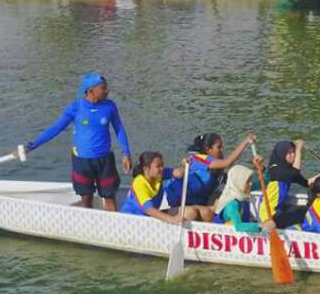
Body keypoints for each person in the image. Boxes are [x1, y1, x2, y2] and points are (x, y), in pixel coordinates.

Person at [21, 73, 132, 211]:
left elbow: (119, 129)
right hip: (82, 161)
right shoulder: (75, 107)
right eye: (103, 88)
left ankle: (113, 221)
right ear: (91, 91)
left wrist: (126, 153)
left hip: (105, 160)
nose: (107, 91)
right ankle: (87, 218)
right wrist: (32, 145)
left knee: (109, 196)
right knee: (86, 197)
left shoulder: (110, 106)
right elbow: (56, 128)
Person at [164, 132, 256, 215]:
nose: (222, 150)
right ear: (208, 150)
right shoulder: (198, 158)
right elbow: (227, 162)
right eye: (219, 147)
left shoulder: (216, 161)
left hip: (197, 200)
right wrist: (245, 142)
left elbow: (230, 167)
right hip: (176, 199)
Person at [257, 140, 320, 231]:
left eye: (293, 152)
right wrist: (298, 148)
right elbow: (295, 171)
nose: (293, 155)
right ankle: (300, 229)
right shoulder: (276, 170)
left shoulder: (287, 170)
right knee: (305, 212)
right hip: (269, 215)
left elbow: (306, 183)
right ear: (282, 154)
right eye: (289, 153)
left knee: (307, 209)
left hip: (279, 210)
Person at [119, 151, 194, 223]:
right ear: (146, 168)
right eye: (158, 166)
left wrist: (185, 166)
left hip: (150, 218)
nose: (162, 168)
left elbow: (179, 173)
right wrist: (171, 219)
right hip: (132, 219)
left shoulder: (159, 174)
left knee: (192, 212)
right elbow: (149, 209)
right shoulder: (139, 183)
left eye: (162, 165)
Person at [212, 163, 263, 232]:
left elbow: (262, 183)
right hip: (226, 235)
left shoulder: (241, 195)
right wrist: (263, 226)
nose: (251, 184)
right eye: (247, 182)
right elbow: (238, 227)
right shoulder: (231, 204)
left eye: (250, 180)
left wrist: (261, 169)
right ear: (239, 182)